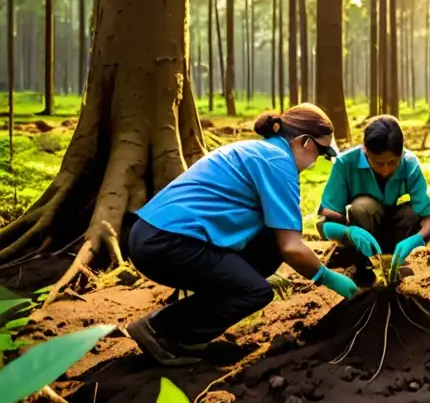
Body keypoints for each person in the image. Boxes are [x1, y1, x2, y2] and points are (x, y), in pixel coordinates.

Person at [126, 104, 359, 366]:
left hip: (154, 233)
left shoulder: (261, 151)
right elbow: (292, 247)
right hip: (169, 242)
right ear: (303, 142)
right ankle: (162, 329)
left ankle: (187, 331)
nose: (318, 161)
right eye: (322, 151)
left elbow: (279, 238)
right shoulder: (278, 162)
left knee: (268, 249)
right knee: (255, 292)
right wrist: (327, 277)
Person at [318, 115, 430, 282]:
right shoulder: (345, 163)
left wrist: (417, 239)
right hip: (360, 238)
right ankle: (361, 267)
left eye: (393, 162)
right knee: (362, 206)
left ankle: (396, 266)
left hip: (395, 236)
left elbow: (429, 218)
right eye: (379, 163)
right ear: (365, 150)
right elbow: (325, 225)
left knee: (411, 213)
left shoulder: (409, 163)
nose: (386, 170)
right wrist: (349, 233)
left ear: (402, 151)